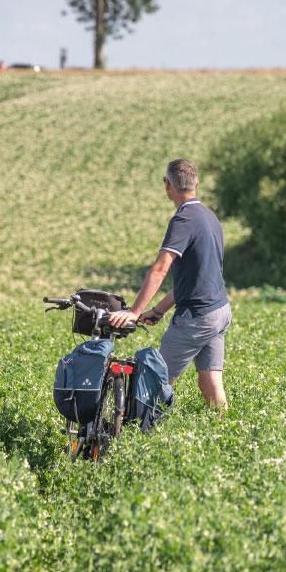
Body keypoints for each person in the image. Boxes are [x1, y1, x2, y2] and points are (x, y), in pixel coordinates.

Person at [109, 159, 231, 410]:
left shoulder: (184, 220)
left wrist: (134, 312)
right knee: (210, 382)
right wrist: (159, 310)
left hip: (197, 317)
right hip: (219, 311)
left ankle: (142, 432)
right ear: (196, 183)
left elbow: (160, 269)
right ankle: (223, 428)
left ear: (168, 185)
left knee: (155, 382)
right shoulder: (209, 217)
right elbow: (195, 276)